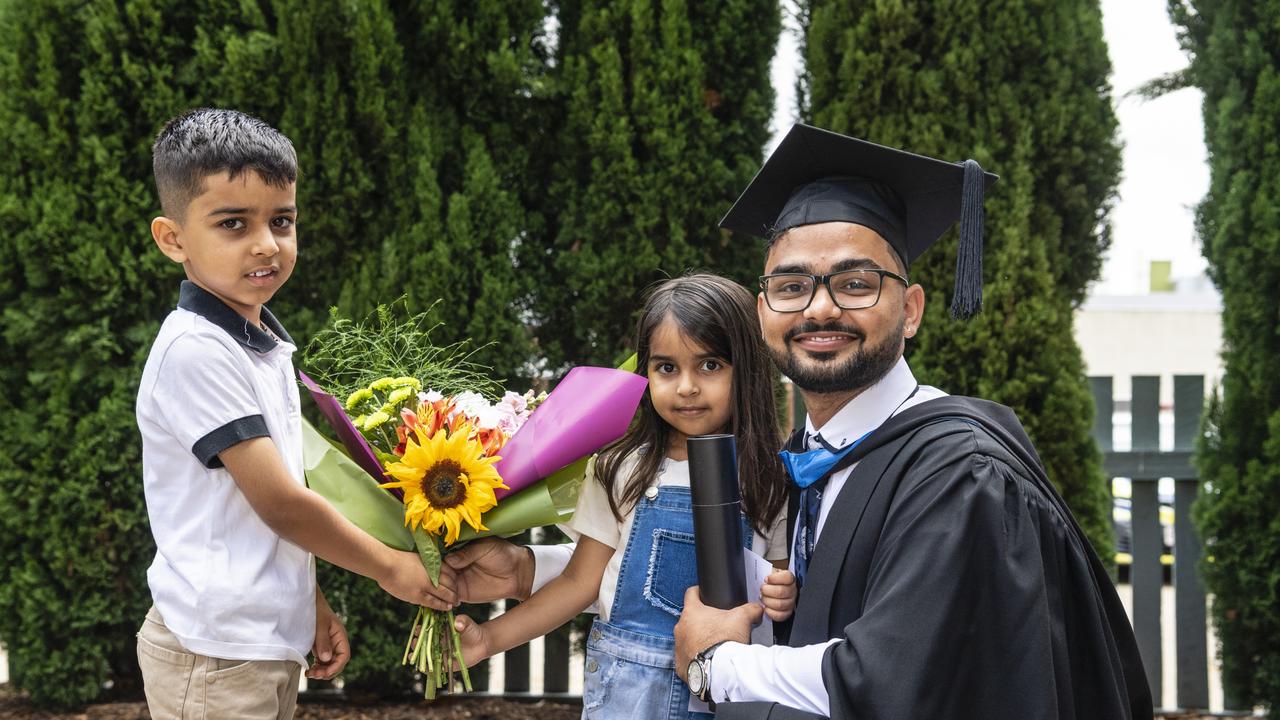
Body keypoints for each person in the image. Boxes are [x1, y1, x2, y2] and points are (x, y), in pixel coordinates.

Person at [669, 124, 1153, 719]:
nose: (820, 307)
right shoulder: (804, 457)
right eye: (791, 286)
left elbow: (896, 676)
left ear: (912, 310)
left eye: (854, 283)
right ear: (764, 309)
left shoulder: (961, 472)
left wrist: (715, 663)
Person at [134, 108, 455, 720]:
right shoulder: (196, 349)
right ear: (173, 238)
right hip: (214, 650)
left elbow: (262, 517)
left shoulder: (261, 344)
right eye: (233, 223)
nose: (266, 244)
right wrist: (389, 566)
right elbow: (279, 502)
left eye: (282, 221)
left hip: (252, 640)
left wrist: (308, 602)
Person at [452, 273, 798, 720]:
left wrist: (782, 596)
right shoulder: (622, 469)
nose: (687, 386)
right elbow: (580, 584)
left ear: (746, 368)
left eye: (710, 365)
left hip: (727, 694)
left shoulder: (770, 477)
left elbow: (777, 580)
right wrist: (488, 639)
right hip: (625, 694)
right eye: (667, 368)